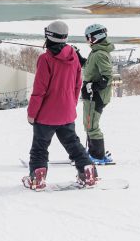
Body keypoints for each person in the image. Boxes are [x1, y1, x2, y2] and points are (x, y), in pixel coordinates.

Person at [22, 20, 97, 190]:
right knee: (73, 145)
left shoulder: (45, 59)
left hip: (46, 116)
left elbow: (39, 91)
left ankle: (37, 179)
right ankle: (88, 172)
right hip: (67, 113)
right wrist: (71, 104)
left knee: (40, 148)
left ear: (48, 36)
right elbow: (77, 85)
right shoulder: (73, 57)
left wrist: (32, 113)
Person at [81, 23, 115, 165]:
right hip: (93, 95)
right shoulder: (96, 52)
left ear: (96, 37)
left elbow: (107, 76)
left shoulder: (100, 54)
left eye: (88, 37)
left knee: (91, 125)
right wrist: (77, 56)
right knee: (88, 124)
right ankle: (94, 151)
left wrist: (92, 86)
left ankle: (97, 155)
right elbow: (89, 67)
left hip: (96, 96)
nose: (87, 40)